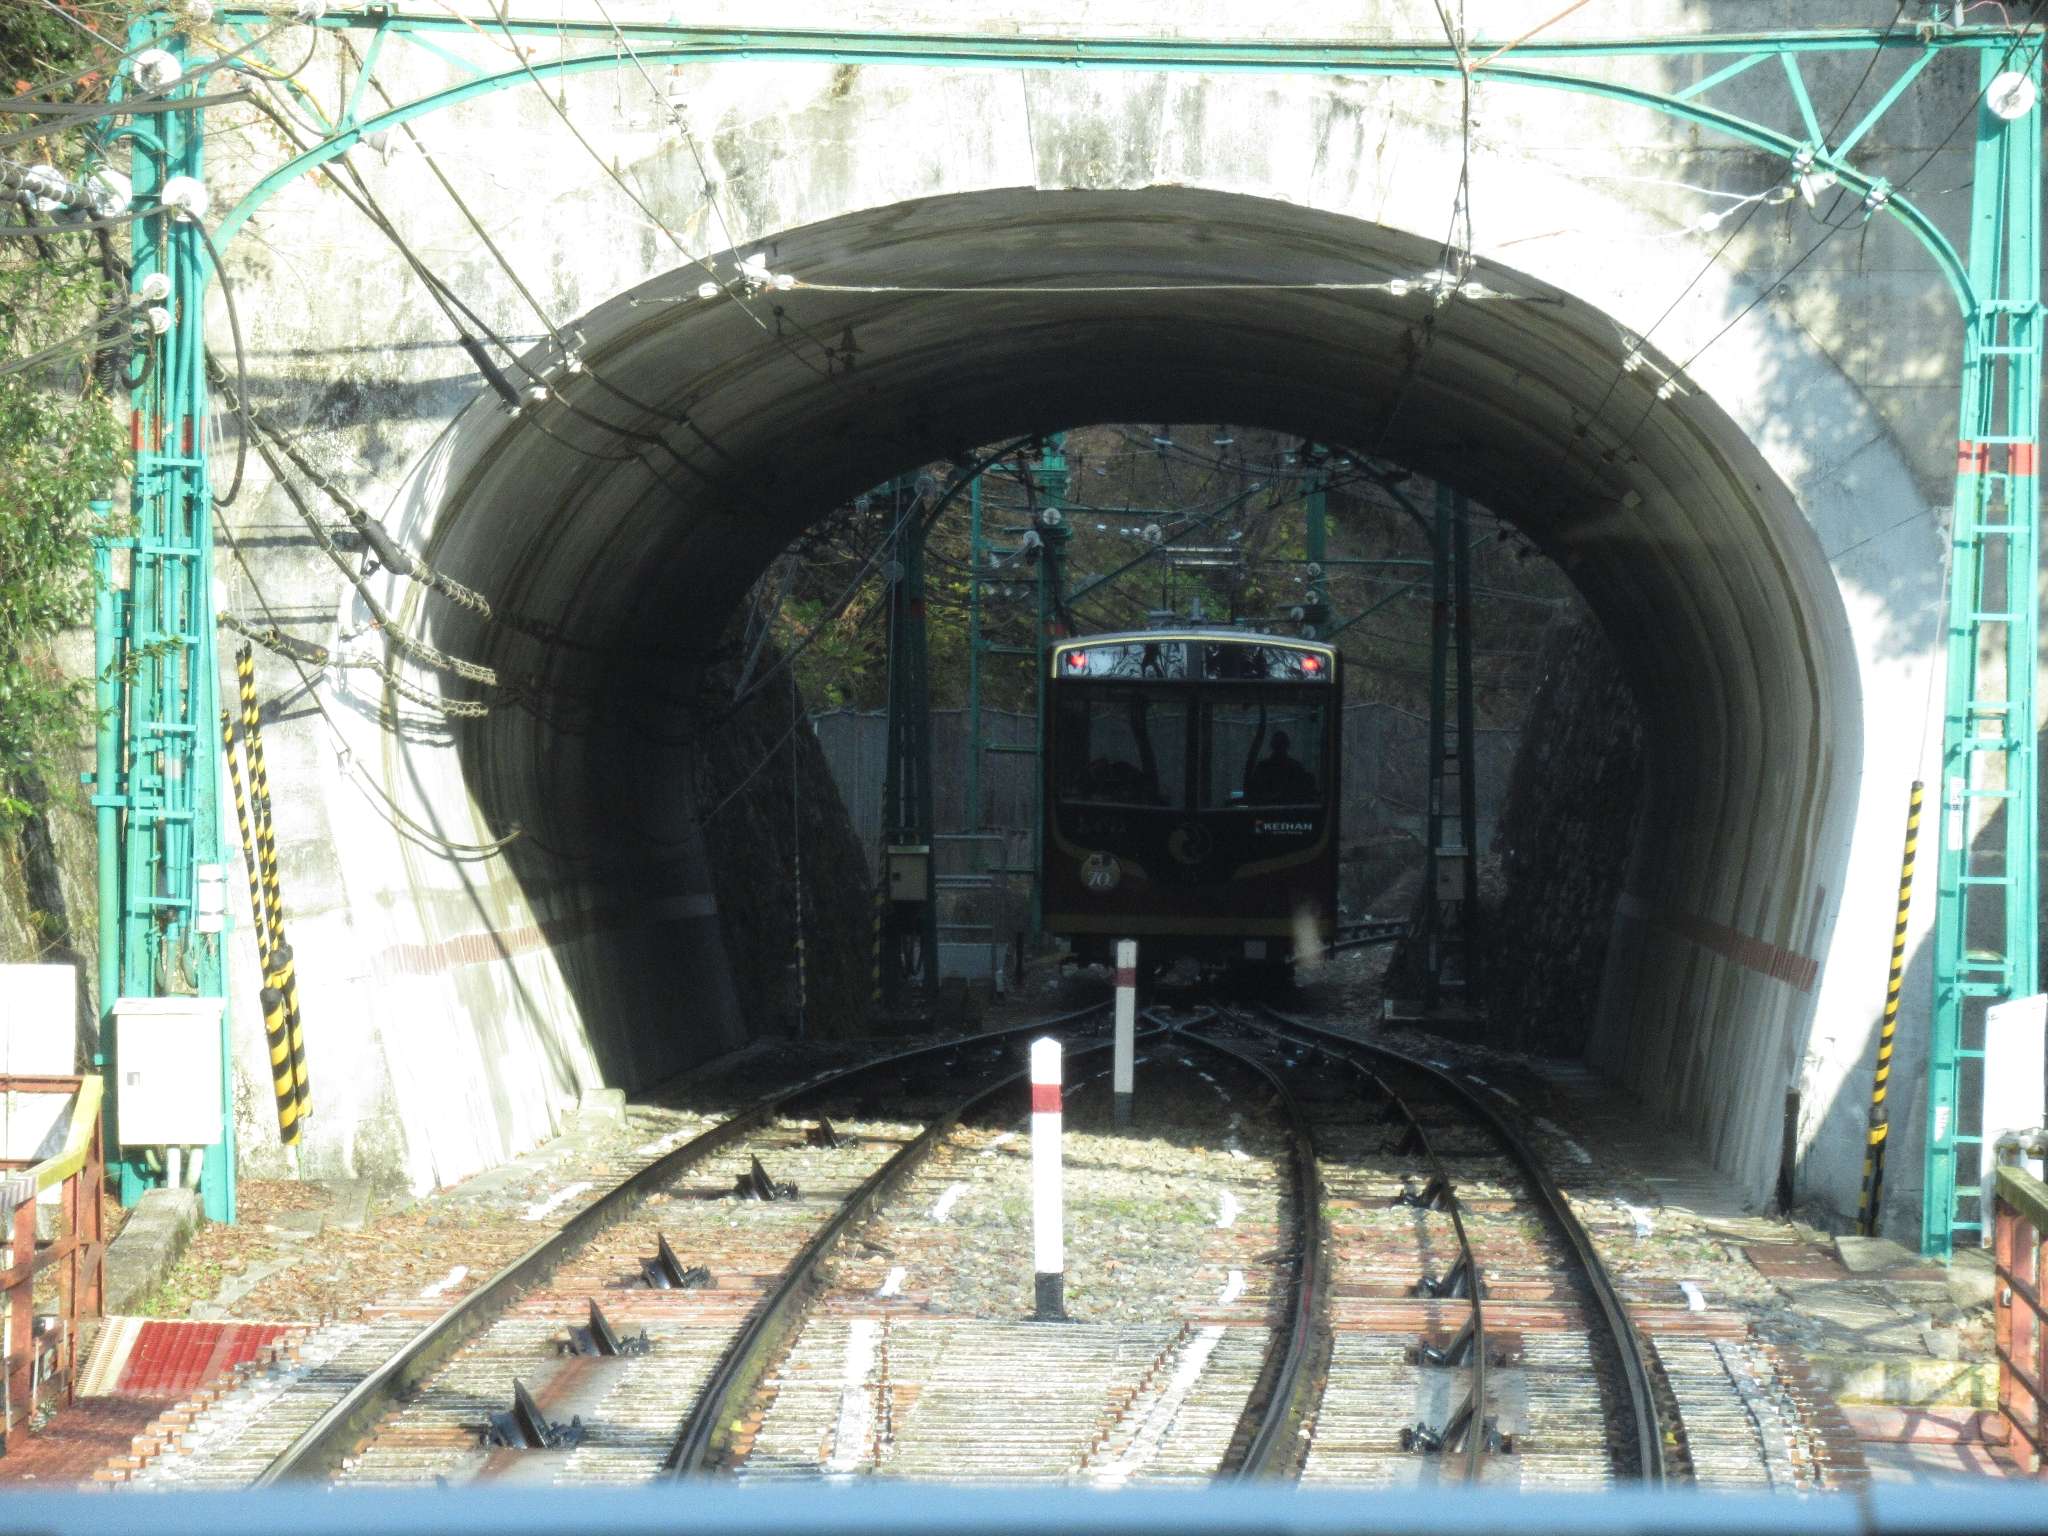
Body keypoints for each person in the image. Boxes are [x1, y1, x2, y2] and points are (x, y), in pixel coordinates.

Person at [1244, 730, 1315, 804]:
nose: (1279, 748)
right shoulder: (1295, 767)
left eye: (1281, 744)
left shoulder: (1263, 767)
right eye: (1278, 745)